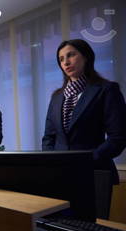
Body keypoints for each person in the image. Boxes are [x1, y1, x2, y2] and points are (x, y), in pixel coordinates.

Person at [42, 39, 126, 219]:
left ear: (86, 57)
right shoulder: (57, 97)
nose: (65, 62)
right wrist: (52, 164)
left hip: (94, 173)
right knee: (63, 230)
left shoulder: (106, 89)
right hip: (60, 176)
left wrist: (86, 161)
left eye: (71, 55)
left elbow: (118, 138)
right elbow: (49, 138)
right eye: (61, 58)